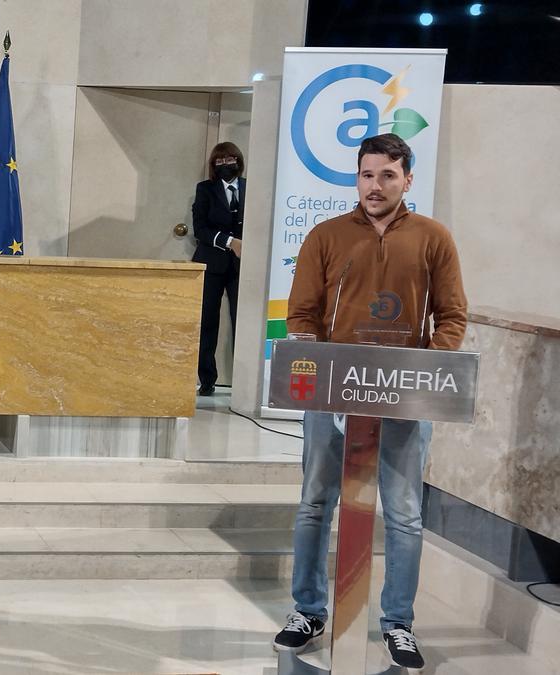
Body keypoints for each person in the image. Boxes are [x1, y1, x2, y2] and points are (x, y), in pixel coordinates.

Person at [272, 134, 467, 672]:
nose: (375, 186)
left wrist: (426, 369)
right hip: (333, 396)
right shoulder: (326, 236)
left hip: (403, 398)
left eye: (387, 175)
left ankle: (397, 623)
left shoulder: (433, 238)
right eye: (366, 175)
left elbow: (451, 316)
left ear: (408, 179)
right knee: (316, 503)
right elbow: (301, 315)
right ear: (355, 178)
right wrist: (317, 370)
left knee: (404, 515)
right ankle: (307, 611)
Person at [191, 142, 246, 396]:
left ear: (239, 160)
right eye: (220, 161)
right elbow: (200, 229)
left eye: (230, 159)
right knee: (207, 322)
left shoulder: (251, 188)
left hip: (242, 267)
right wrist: (229, 242)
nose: (226, 165)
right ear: (214, 165)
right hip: (211, 263)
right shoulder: (205, 189)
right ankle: (207, 379)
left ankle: (245, 382)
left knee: (242, 322)